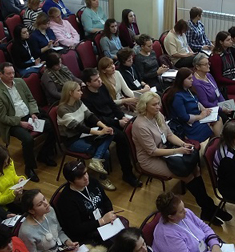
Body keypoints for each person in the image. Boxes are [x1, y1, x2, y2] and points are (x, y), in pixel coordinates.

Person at [133, 92, 222, 223]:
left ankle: (208, 207)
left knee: (196, 169)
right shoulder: (140, 125)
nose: (158, 107)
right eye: (154, 105)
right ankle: (209, 208)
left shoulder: (158, 115)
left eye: (158, 103)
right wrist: (177, 150)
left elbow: (169, 134)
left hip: (165, 149)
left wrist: (183, 144)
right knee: (187, 175)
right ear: (144, 106)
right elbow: (152, 151)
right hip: (150, 159)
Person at [0, 62, 56, 181]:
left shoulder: (20, 82)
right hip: (13, 122)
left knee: (53, 126)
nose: (12, 76)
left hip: (29, 116)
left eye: (13, 73)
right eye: (8, 73)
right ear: (0, 74)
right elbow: (2, 117)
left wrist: (33, 113)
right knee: (28, 139)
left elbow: (31, 99)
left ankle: (44, 154)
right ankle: (29, 168)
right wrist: (20, 123)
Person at [80, 68, 141, 188]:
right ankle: (127, 174)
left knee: (134, 126)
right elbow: (95, 118)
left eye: (99, 78)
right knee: (122, 138)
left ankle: (138, 161)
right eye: (96, 80)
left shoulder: (102, 87)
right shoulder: (85, 98)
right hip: (100, 125)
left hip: (112, 118)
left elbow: (111, 105)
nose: (100, 81)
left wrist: (122, 116)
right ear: (88, 83)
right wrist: (117, 122)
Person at [57, 81, 116, 190]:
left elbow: (90, 116)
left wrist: (105, 127)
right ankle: (102, 177)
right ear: (70, 93)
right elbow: (78, 127)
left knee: (110, 133)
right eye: (78, 90)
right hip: (72, 140)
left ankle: (96, 160)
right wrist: (99, 132)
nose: (81, 92)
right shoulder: (62, 110)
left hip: (83, 135)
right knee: (105, 152)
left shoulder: (78, 102)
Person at [19, 189, 83, 252]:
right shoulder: (27, 232)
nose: (46, 204)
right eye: (40, 204)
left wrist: (68, 242)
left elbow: (59, 231)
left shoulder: (50, 211)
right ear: (31, 211)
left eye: (44, 199)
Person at [55, 161, 120, 244]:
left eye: (85, 173)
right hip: (88, 234)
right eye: (80, 177)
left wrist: (110, 213)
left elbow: (105, 200)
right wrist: (102, 221)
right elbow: (76, 228)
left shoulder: (92, 181)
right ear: (71, 181)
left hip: (104, 222)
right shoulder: (66, 200)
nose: (86, 178)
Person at [165, 68, 222, 140]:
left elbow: (196, 101)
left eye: (192, 78)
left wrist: (204, 109)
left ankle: (218, 142)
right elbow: (184, 117)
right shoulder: (177, 97)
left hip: (198, 117)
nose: (192, 80)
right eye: (189, 78)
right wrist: (200, 116)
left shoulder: (189, 90)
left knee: (218, 119)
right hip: (189, 125)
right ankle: (216, 142)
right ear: (181, 80)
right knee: (210, 127)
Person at [0, 144, 29, 209]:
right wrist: (13, 194)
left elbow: (13, 177)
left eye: (7, 160)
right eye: (4, 163)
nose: (6, 164)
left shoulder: (9, 162)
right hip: (7, 202)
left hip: (15, 193)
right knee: (31, 206)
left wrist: (19, 179)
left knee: (35, 197)